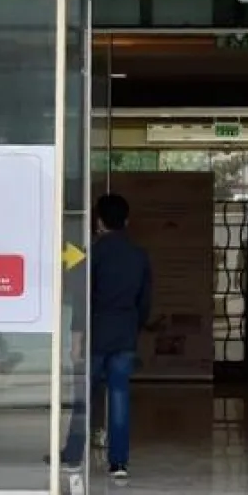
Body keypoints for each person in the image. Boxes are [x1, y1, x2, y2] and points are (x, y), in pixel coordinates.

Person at [60, 194, 152, 479]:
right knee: (120, 396)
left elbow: (81, 298)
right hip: (124, 334)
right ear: (126, 221)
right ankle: (119, 463)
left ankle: (73, 455)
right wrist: (134, 327)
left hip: (96, 333)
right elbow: (145, 301)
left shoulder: (92, 254)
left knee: (84, 397)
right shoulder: (139, 255)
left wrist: (76, 340)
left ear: (98, 222)